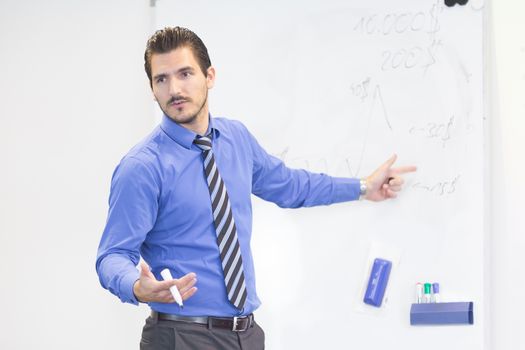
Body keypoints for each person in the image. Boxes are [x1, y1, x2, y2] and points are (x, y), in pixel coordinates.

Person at [96, 26, 416, 350]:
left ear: (210, 76)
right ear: (152, 89)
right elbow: (112, 255)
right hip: (181, 336)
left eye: (185, 74)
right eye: (161, 79)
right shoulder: (142, 167)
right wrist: (137, 286)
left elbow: (291, 186)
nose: (174, 88)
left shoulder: (236, 139)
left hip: (246, 335)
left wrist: (363, 187)